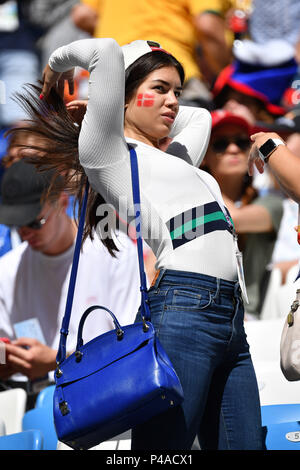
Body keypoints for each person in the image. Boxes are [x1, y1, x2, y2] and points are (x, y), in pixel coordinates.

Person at [11, 38, 263, 450]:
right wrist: (58, 69)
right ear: (123, 95)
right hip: (186, 308)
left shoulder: (176, 157)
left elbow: (199, 116)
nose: (173, 102)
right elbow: (105, 52)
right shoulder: (107, 153)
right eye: (160, 89)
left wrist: (124, 104)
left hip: (230, 315)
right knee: (162, 454)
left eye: (176, 91)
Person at [0, 159, 140, 407]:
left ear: (62, 202)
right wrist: (6, 360)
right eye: (16, 224)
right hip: (32, 399)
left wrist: (56, 359)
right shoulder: (8, 269)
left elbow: (130, 344)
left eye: (34, 222)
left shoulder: (113, 251)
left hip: (103, 393)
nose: (25, 232)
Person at [202, 110, 284, 318]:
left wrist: (198, 174)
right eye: (220, 143)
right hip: (199, 313)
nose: (233, 149)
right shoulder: (189, 203)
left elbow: (233, 220)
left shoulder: (272, 203)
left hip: (247, 319)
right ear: (204, 156)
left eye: (241, 142)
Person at [71, 0, 232, 105]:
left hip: (110, 75)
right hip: (170, 70)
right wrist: (227, 80)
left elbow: (82, 15)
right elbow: (208, 26)